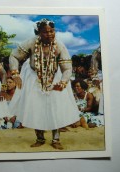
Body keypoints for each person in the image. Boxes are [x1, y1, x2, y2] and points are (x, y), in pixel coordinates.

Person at [8, 18, 79, 149]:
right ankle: (40, 138)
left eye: (52, 31)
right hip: (34, 78)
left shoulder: (59, 45)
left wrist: (63, 83)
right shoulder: (31, 42)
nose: (50, 34)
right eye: (45, 32)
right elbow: (13, 56)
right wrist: (15, 74)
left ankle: (56, 139)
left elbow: (67, 68)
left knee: (55, 108)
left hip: (54, 78)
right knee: (36, 108)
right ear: (38, 33)